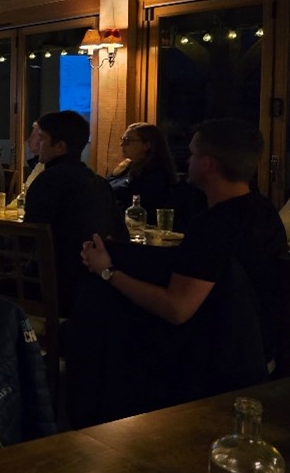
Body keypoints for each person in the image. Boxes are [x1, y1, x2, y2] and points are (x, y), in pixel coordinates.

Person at [81, 118, 288, 371]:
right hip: (260, 350)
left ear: (208, 164)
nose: (188, 161)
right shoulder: (264, 211)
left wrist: (108, 271)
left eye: (193, 154)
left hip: (217, 360)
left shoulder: (214, 226)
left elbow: (176, 308)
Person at [23, 110, 124, 315]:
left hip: (51, 287)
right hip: (94, 287)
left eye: (42, 139)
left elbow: (27, 240)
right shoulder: (101, 184)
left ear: (59, 146)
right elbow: (121, 236)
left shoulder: (47, 181)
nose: (37, 144)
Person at [105, 122, 180, 221]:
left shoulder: (155, 176)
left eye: (128, 140)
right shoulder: (125, 168)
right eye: (122, 140)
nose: (122, 144)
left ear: (147, 145)